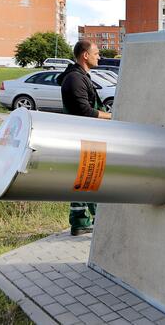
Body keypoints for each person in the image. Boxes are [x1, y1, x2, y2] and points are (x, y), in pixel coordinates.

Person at [57, 40, 112, 236]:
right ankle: (96, 221)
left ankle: (80, 221)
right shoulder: (74, 79)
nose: (99, 56)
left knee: (84, 178)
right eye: (96, 53)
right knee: (91, 178)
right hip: (83, 135)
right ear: (85, 56)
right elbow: (84, 111)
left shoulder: (81, 76)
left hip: (86, 134)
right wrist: (112, 116)